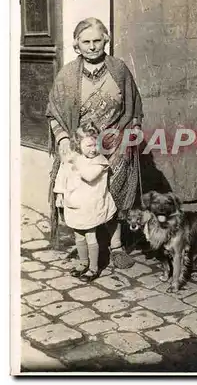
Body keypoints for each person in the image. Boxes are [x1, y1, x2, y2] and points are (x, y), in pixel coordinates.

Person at [46, 17, 143, 269]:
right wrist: (64, 139)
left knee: (114, 191)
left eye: (97, 40)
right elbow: (53, 113)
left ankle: (116, 247)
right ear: (76, 44)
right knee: (84, 194)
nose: (92, 46)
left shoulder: (119, 70)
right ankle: (85, 246)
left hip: (114, 143)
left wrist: (129, 137)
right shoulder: (67, 75)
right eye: (85, 41)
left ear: (106, 40)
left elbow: (134, 109)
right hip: (81, 147)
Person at [54, 122, 117, 281]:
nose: (93, 148)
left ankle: (94, 268)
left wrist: (75, 161)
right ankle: (83, 263)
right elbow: (62, 175)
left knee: (90, 236)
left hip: (91, 205)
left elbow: (89, 176)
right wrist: (60, 194)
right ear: (78, 144)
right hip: (75, 204)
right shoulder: (74, 159)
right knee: (79, 236)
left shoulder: (100, 161)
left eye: (96, 144)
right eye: (88, 145)